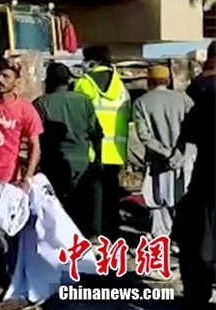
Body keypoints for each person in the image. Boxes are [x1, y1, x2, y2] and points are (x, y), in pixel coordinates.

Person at [0, 58, 43, 282]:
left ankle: (13, 277)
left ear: (16, 82)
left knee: (9, 232)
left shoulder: (25, 108)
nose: (0, 81)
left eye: (6, 77)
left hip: (10, 179)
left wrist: (27, 178)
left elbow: (35, 146)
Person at [33, 62, 103, 237]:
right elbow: (97, 133)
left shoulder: (41, 103)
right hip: (81, 161)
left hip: (52, 163)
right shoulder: (84, 101)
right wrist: (98, 159)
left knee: (57, 208)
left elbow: (34, 136)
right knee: (80, 206)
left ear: (48, 81)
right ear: (68, 80)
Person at [73, 46, 130, 239]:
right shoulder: (121, 87)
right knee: (112, 194)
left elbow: (78, 116)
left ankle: (94, 234)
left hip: (91, 150)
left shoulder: (84, 84)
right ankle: (112, 232)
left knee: (93, 195)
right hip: (116, 150)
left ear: (93, 61)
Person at [133, 65, 195, 239]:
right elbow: (195, 129)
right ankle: (183, 238)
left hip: (158, 162)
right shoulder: (184, 99)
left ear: (149, 81)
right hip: (184, 160)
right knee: (182, 200)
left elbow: (144, 136)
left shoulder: (141, 103)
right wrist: (180, 155)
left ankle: (161, 242)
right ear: (168, 80)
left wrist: (167, 154)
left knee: (158, 202)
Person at [174, 64, 216, 310]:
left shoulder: (202, 91)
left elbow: (188, 134)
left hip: (207, 182)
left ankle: (197, 297)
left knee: (197, 240)